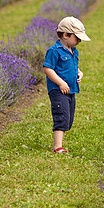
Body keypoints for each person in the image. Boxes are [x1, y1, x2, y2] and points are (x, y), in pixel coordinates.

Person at [43, 16, 91, 153]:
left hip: (71, 89)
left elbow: (73, 66)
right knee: (61, 115)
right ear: (65, 35)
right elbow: (47, 69)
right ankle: (57, 146)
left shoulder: (73, 51)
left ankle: (59, 144)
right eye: (77, 37)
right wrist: (61, 83)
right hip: (58, 90)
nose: (80, 41)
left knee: (68, 118)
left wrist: (79, 73)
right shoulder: (54, 51)